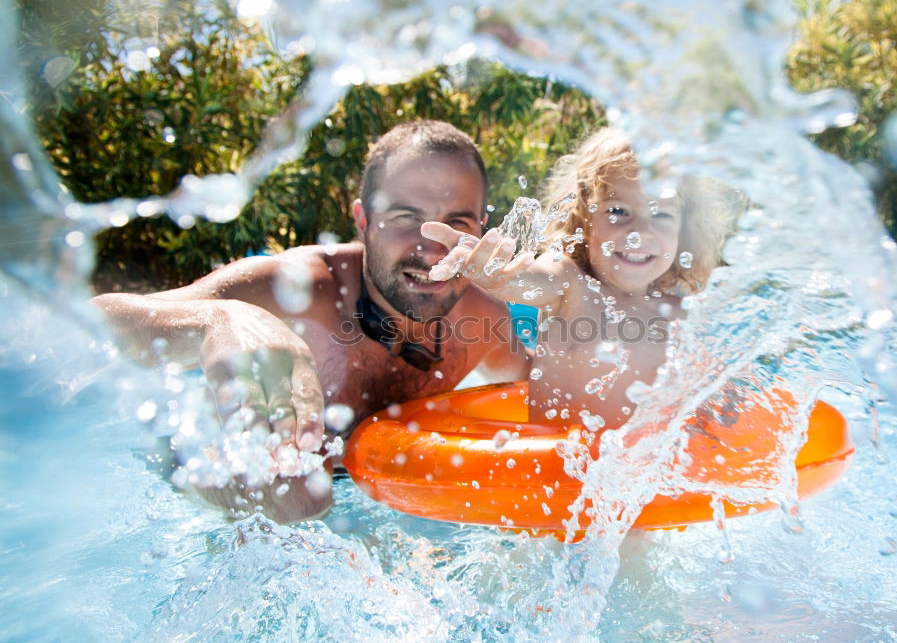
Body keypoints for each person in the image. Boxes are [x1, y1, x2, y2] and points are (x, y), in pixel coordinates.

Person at [93, 120, 529, 522]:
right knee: (297, 493)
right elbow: (98, 322)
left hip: (372, 504)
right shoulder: (298, 290)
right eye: (406, 218)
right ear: (364, 221)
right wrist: (219, 320)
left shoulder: (483, 318)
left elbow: (548, 394)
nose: (433, 249)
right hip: (200, 493)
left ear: (481, 228)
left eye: (456, 223)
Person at [422, 127, 735, 429]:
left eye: (661, 215)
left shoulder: (682, 317)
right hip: (553, 471)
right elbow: (533, 280)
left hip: (631, 475)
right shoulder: (571, 282)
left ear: (685, 230)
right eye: (618, 211)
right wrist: (498, 277)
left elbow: (707, 406)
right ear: (584, 219)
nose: (640, 232)